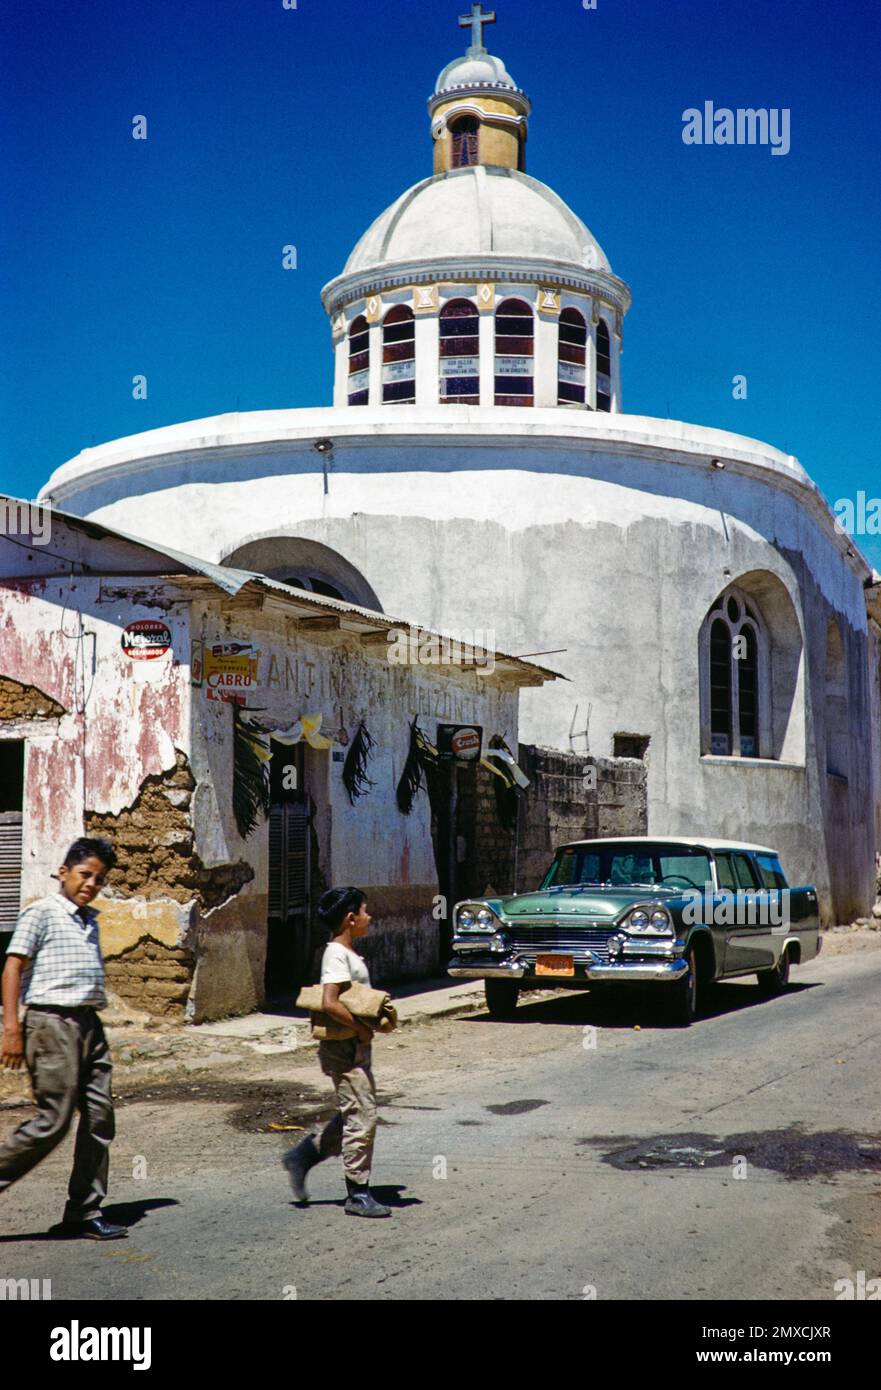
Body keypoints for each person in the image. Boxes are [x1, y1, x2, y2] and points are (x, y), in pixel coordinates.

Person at [0, 837, 127, 1240]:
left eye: (99, 879)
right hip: (50, 1023)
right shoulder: (41, 912)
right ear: (63, 873)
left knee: (99, 1117)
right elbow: (13, 967)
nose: (91, 884)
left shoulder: (90, 920)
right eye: (85, 875)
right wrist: (12, 1028)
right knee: (53, 1121)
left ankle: (85, 1211)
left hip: (90, 1025)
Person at [283, 886, 391, 1218]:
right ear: (350, 918)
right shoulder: (335, 954)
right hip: (342, 1046)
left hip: (354, 1045)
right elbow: (330, 1002)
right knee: (363, 1114)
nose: (368, 916)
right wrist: (360, 1029)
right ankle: (357, 1194)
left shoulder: (348, 953)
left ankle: (305, 1155)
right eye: (365, 910)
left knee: (353, 1111)